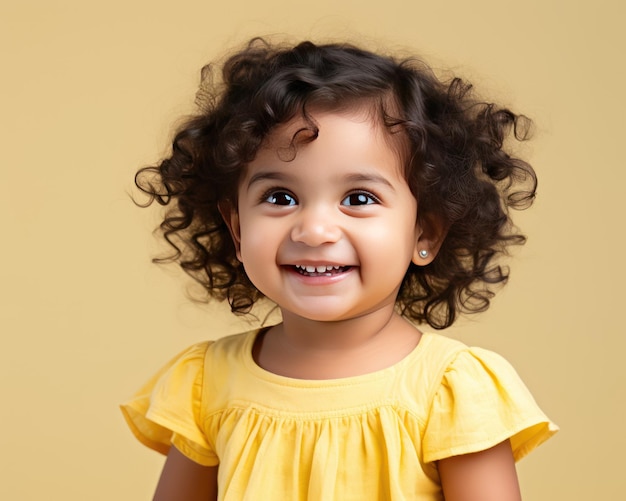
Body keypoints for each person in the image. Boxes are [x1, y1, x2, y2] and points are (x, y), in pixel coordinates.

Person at [121, 38, 558, 500]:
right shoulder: (205, 383)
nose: (314, 230)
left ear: (423, 234)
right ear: (237, 229)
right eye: (280, 198)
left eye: (359, 199)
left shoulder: (451, 392)